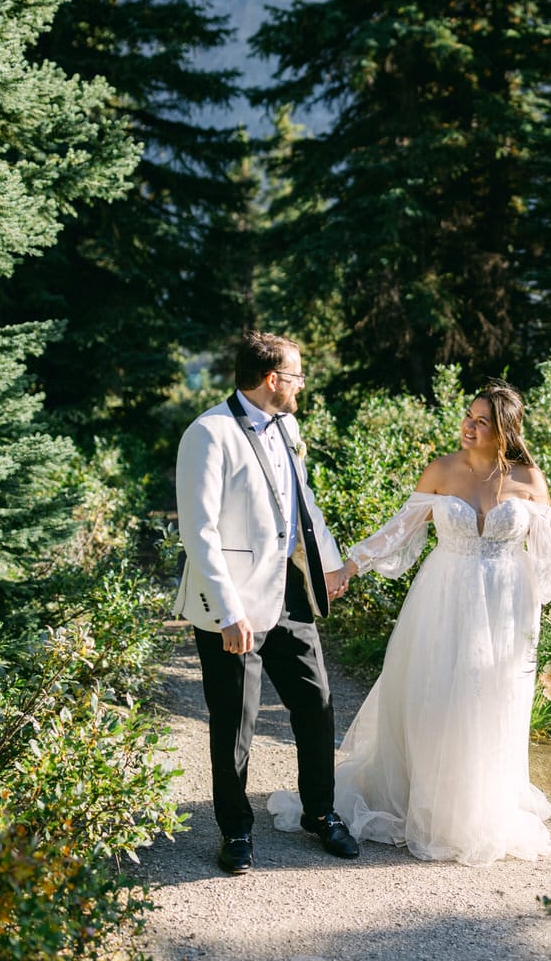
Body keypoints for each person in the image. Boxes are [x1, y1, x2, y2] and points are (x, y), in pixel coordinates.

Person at [270, 381, 551, 865]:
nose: (469, 426)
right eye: (468, 416)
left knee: (492, 698)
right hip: (444, 598)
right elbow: (401, 529)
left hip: (507, 605)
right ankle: (427, 802)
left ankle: (478, 806)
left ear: (505, 430)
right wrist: (350, 565)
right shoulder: (441, 470)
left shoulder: (529, 478)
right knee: (439, 693)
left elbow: (548, 548)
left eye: (482, 421)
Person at [173, 331, 360, 874]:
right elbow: (199, 531)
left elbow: (301, 504)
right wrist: (229, 612)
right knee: (235, 722)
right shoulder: (208, 433)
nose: (303, 384)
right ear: (273, 379)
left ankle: (320, 814)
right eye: (297, 375)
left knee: (317, 706)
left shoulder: (288, 425)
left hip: (289, 596)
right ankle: (235, 832)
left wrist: (326, 563)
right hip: (232, 607)